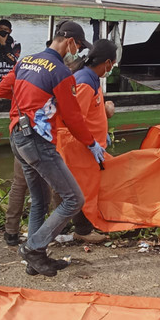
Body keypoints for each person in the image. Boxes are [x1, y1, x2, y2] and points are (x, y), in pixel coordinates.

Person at [0, 20, 105, 277]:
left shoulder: (26, 61)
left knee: (41, 201)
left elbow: (0, 90)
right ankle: (33, 248)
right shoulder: (60, 72)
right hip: (38, 142)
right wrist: (91, 143)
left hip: (17, 136)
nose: (77, 51)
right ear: (69, 41)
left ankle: (37, 259)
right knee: (73, 199)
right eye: (78, 46)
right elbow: (72, 118)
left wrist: (30, 98)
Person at [56, 39, 117, 244]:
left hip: (91, 145)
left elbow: (89, 112)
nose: (112, 69)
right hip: (81, 146)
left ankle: (75, 226)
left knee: (84, 187)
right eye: (113, 65)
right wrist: (91, 144)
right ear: (108, 63)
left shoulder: (92, 78)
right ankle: (82, 229)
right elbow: (74, 119)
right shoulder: (84, 81)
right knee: (82, 189)